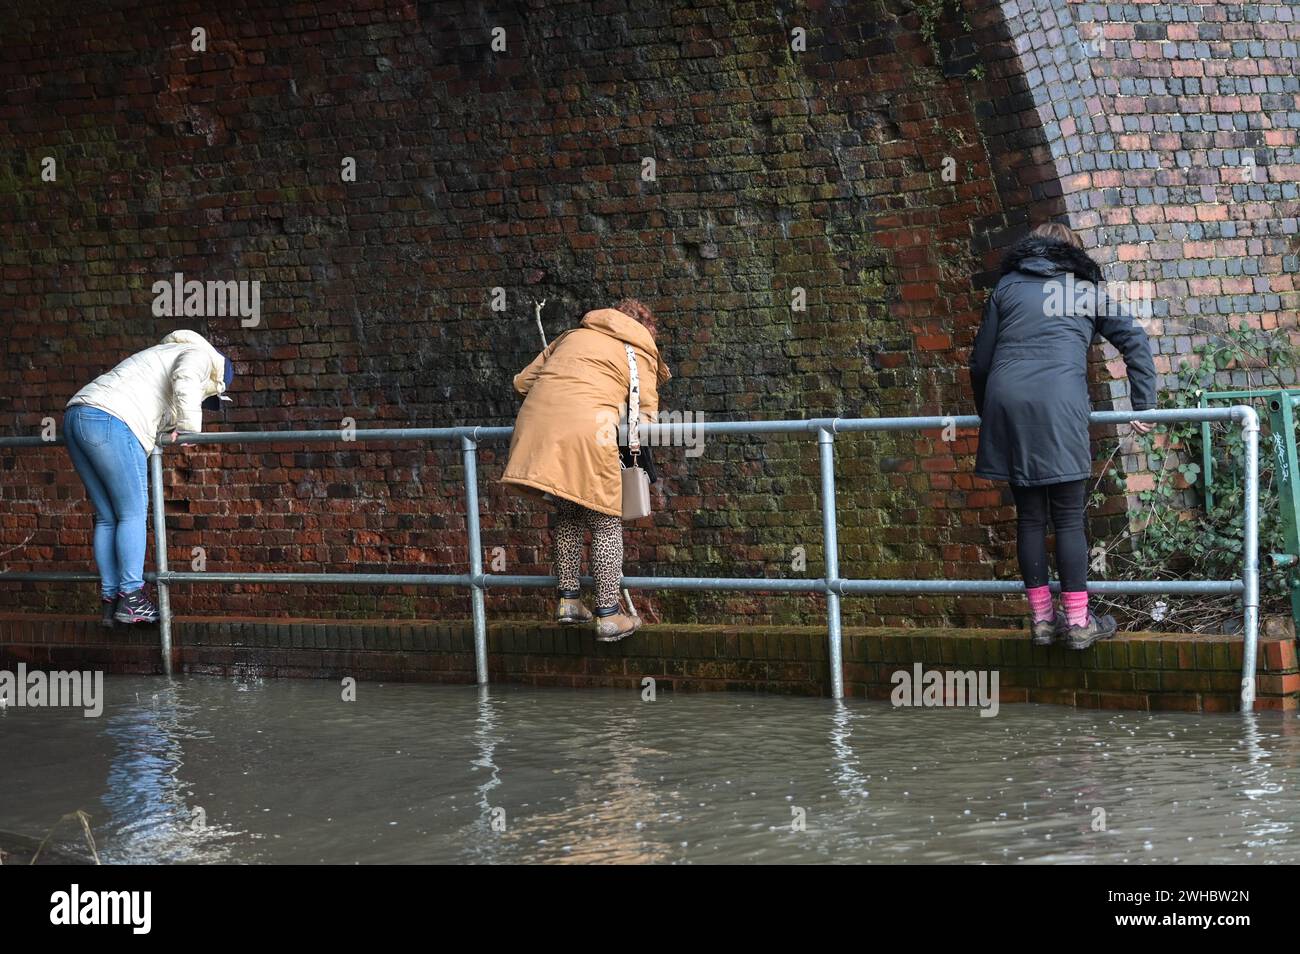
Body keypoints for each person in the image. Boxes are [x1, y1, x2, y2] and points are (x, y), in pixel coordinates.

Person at [970, 223, 1156, 649]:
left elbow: (980, 363)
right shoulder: (1080, 289)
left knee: (1031, 517)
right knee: (1069, 517)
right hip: (1059, 405)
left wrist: (992, 415)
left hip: (1008, 405)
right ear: (1072, 253)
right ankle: (1076, 622)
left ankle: (1040, 620)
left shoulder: (1006, 288)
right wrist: (1143, 404)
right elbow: (1134, 340)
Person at [503, 299, 670, 642]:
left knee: (568, 514)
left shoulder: (570, 336)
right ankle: (609, 615)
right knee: (605, 520)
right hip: (590, 435)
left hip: (542, 432)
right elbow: (646, 418)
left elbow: (521, 384)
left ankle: (569, 602)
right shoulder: (639, 352)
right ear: (646, 329)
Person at [64, 330, 234, 628]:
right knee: (131, 514)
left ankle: (111, 599)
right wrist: (190, 428)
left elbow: (155, 406)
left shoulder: (157, 356)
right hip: (111, 420)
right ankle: (131, 596)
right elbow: (185, 380)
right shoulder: (200, 357)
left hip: (76, 414)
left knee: (107, 517)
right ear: (217, 381)